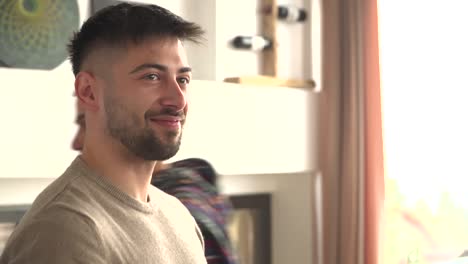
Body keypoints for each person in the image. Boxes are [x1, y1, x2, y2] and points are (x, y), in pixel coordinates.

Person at [0, 2, 206, 264]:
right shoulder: (65, 230)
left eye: (183, 79)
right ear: (88, 91)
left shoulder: (178, 214)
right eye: (152, 77)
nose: (178, 100)